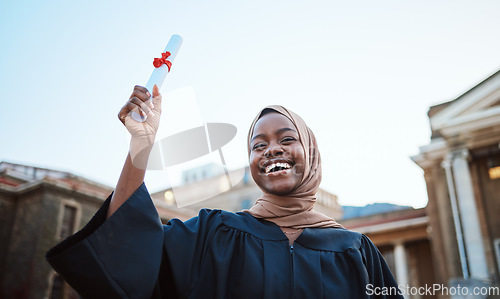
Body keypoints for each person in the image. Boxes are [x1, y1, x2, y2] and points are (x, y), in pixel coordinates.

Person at [46, 85, 403, 298]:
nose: (271, 150)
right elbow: (126, 256)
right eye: (258, 145)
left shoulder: (355, 251)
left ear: (310, 152)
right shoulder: (213, 234)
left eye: (287, 138)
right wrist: (142, 144)